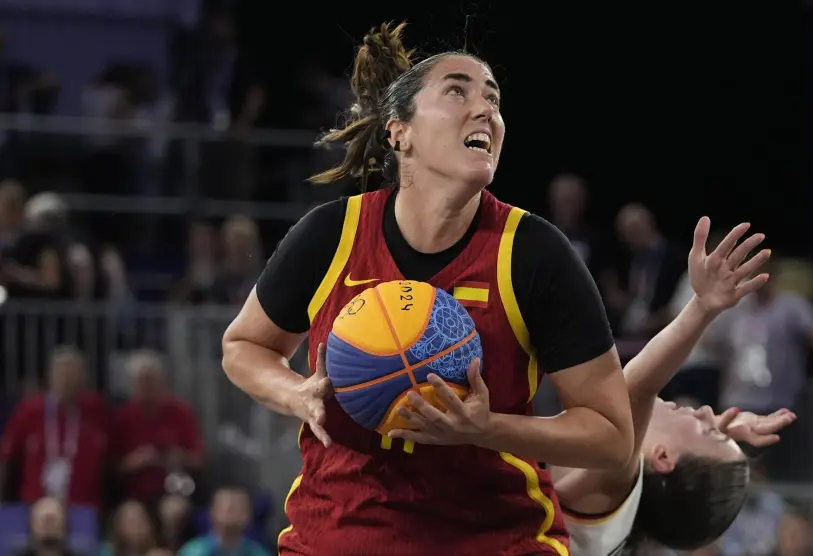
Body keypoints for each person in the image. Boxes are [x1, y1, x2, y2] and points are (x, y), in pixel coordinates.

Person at [221, 22, 633, 556]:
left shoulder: (532, 252)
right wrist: (295, 393)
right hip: (340, 535)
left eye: (493, 99)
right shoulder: (332, 234)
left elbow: (612, 437)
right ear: (400, 132)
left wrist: (487, 428)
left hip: (493, 540)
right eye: (458, 91)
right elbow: (243, 346)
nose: (485, 110)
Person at [553, 217, 796, 554]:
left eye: (707, 430)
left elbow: (635, 389)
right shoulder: (615, 519)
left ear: (664, 457)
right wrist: (719, 429)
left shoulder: (613, 484)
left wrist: (703, 306)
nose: (705, 412)